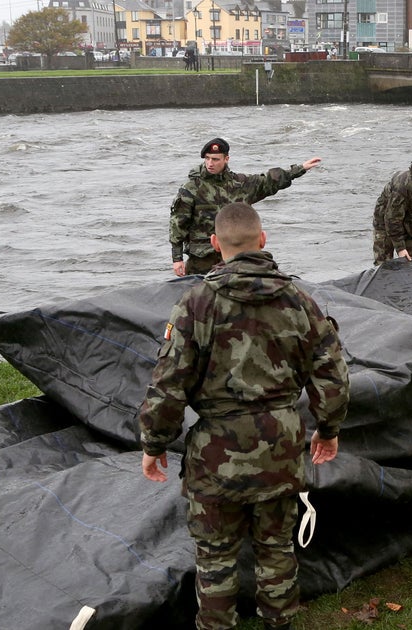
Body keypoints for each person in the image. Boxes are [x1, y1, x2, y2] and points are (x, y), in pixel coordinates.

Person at [139, 201, 350, 630]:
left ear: (216, 245)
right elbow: (333, 377)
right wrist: (328, 430)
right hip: (281, 445)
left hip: (215, 453)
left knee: (215, 557)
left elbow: (169, 385)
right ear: (263, 240)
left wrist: (153, 444)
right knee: (276, 547)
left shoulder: (195, 303)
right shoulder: (299, 300)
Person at [169, 137, 322, 277]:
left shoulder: (240, 184)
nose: (210, 163)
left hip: (236, 257)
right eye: (207, 159)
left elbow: (269, 181)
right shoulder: (191, 188)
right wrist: (177, 259)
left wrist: (300, 169)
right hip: (202, 259)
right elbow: (178, 224)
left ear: (226, 159)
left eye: (215, 159)